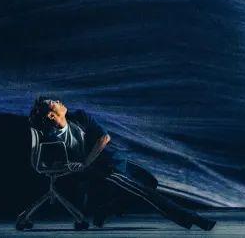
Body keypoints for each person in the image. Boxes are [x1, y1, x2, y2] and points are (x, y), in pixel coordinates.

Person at [28, 96, 216, 231]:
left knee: (150, 182)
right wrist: (76, 166)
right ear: (51, 115)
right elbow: (55, 163)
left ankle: (105, 210)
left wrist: (85, 162)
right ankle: (193, 218)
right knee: (143, 192)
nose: (59, 101)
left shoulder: (80, 116)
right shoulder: (51, 139)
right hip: (104, 170)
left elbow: (104, 138)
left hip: (113, 159)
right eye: (53, 103)